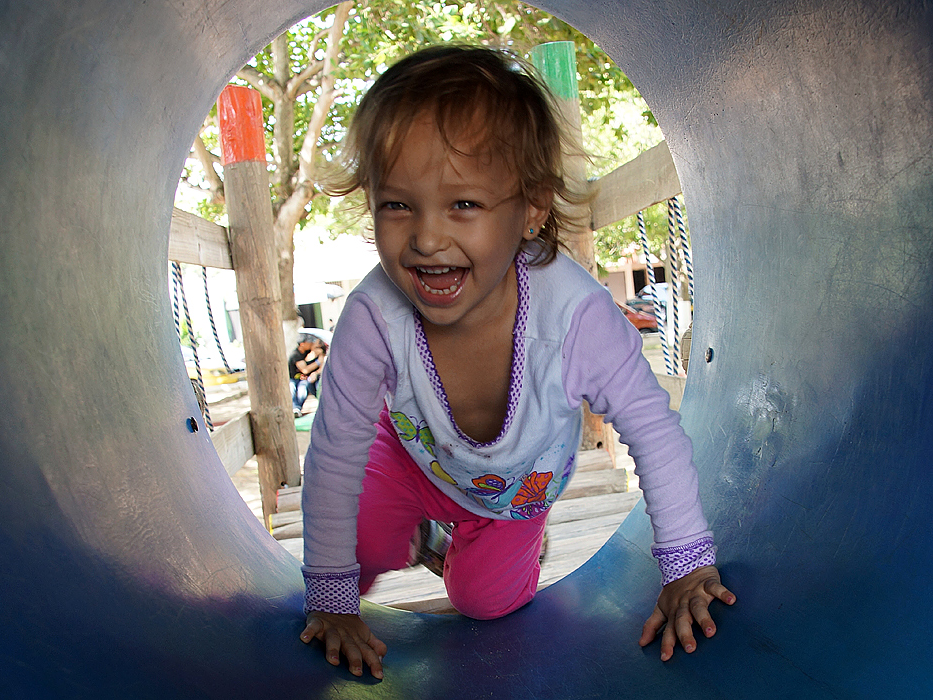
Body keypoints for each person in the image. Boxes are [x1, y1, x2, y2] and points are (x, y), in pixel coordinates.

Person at [298, 45, 734, 680]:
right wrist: (332, 602)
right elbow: (335, 454)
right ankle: (413, 531)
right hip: (412, 458)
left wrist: (687, 564)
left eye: (464, 205)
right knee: (362, 547)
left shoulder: (574, 316)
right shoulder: (374, 315)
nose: (425, 237)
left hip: (514, 490)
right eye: (397, 204)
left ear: (532, 207)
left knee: (484, 603)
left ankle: (492, 546)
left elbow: (652, 429)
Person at [288, 334, 321, 417]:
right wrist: (318, 362)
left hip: (305, 380)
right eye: (309, 342)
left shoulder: (309, 353)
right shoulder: (296, 354)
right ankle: (295, 408)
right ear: (302, 344)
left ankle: (297, 408)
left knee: (303, 388)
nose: (310, 344)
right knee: (293, 389)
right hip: (294, 379)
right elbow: (305, 370)